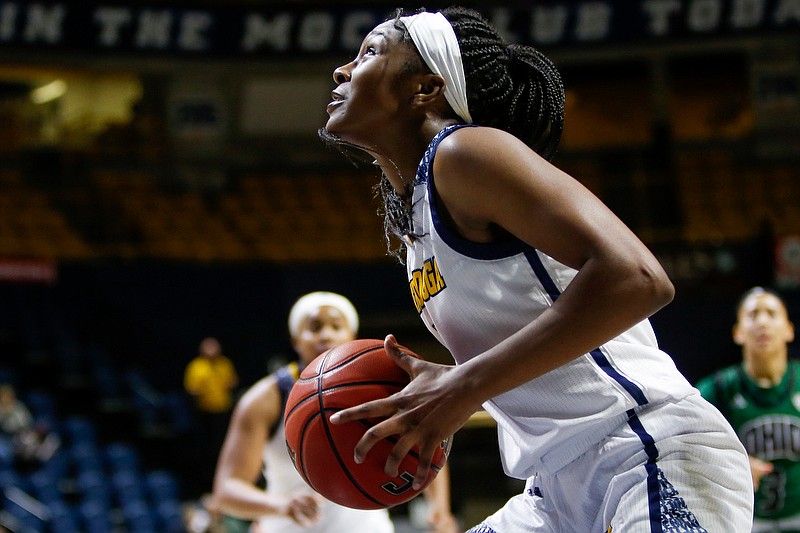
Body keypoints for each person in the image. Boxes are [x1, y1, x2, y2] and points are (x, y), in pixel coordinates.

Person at [320, 6, 753, 532]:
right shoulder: (418, 218)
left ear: (425, 88)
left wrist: (462, 386)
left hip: (644, 450)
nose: (343, 70)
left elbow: (638, 278)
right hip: (553, 491)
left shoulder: (464, 152)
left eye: (369, 52)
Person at [210, 291, 458, 533]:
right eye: (315, 327)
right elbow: (226, 491)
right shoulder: (265, 398)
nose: (326, 335)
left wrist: (440, 509)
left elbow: (423, 441)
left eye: (336, 327)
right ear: (296, 340)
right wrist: (281, 506)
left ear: (352, 336)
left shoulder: (382, 384)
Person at [696, 287, 800, 532]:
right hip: (745, 521)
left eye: (771, 314)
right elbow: (685, 450)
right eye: (753, 315)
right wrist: (732, 464)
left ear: (789, 330)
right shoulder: (716, 389)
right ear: (738, 332)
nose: (762, 322)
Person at [184, 337, 240, 490]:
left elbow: (233, 381)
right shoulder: (196, 367)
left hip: (223, 412)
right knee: (208, 449)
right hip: (205, 415)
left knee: (225, 446)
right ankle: (208, 483)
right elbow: (191, 389)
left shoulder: (224, 363)